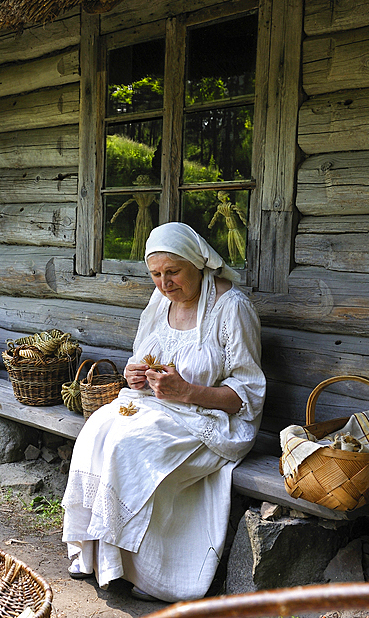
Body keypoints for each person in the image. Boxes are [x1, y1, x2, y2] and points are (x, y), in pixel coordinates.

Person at [61, 222, 265, 603]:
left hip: (209, 420)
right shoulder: (160, 302)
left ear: (198, 264)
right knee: (98, 429)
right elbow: (141, 358)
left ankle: (151, 574)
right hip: (157, 406)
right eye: (156, 274)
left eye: (173, 272)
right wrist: (134, 373)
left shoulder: (231, 308)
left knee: (127, 445)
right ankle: (96, 555)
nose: (164, 283)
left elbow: (247, 395)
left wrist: (187, 391)